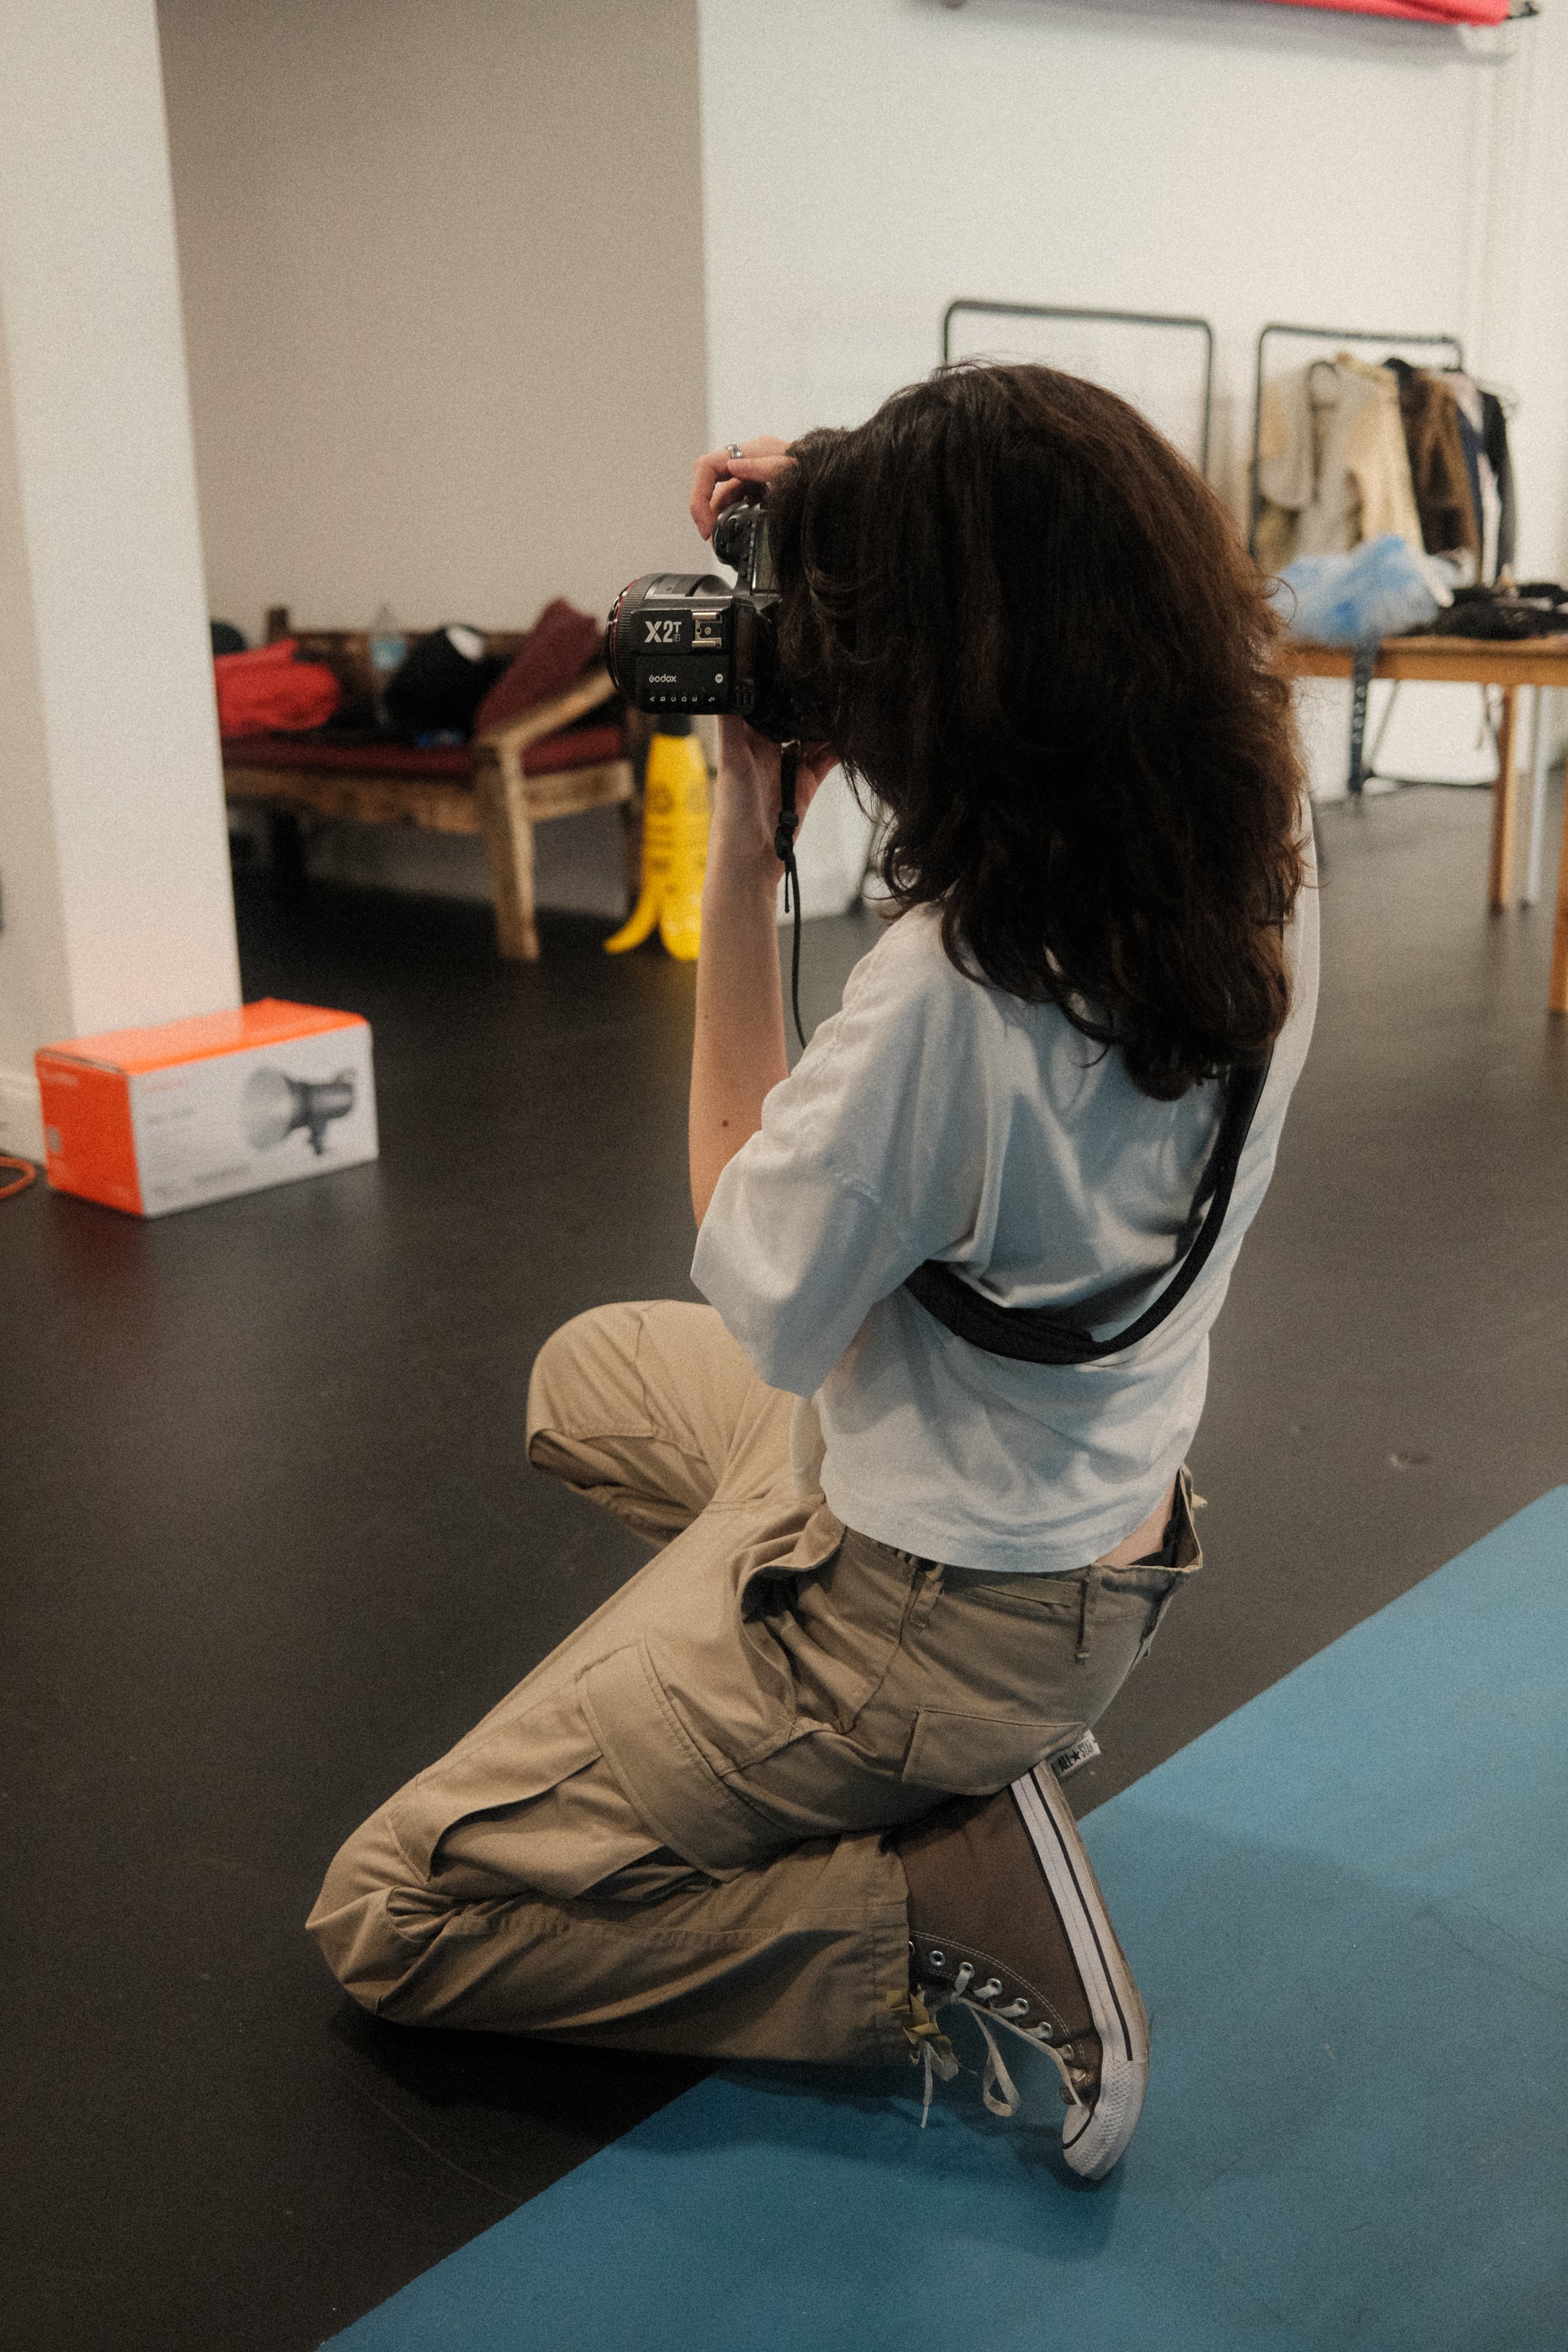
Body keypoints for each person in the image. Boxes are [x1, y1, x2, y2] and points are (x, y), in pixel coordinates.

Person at [309, 365, 1316, 2179]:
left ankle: (916, 1919)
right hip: (1085, 1515)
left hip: (931, 1602)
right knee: (586, 1380)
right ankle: (864, 1732)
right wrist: (833, 494)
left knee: (398, 1914)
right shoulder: (1255, 862)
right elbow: (1055, 524)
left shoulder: (951, 995)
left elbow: (749, 1271)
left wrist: (752, 839)